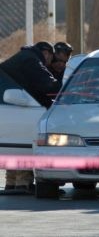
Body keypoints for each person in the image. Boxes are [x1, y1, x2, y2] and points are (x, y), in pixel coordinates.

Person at [0, 41, 60, 193]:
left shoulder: (24, 57)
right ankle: (23, 183)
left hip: (11, 105)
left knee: (16, 145)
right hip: (18, 106)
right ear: (46, 53)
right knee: (28, 142)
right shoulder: (32, 60)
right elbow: (47, 84)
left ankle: (12, 183)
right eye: (51, 59)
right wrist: (64, 85)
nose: (49, 63)